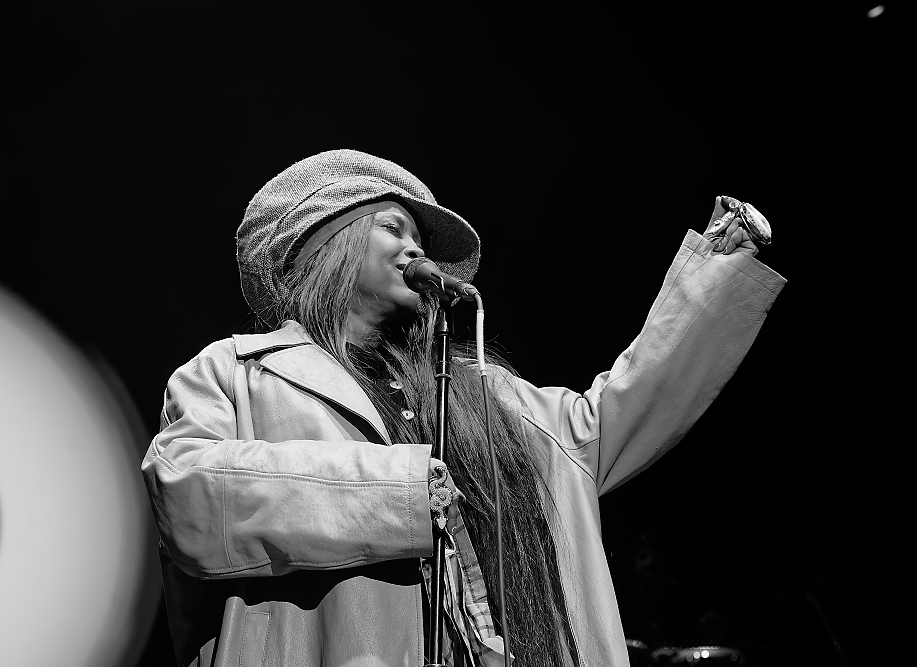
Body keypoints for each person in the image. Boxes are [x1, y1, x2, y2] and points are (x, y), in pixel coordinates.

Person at [141, 149, 785, 667]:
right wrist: (401, 493)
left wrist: (718, 270)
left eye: (419, 237)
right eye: (392, 227)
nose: (415, 249)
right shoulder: (237, 372)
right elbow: (190, 492)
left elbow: (612, 417)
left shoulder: (481, 396)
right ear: (325, 246)